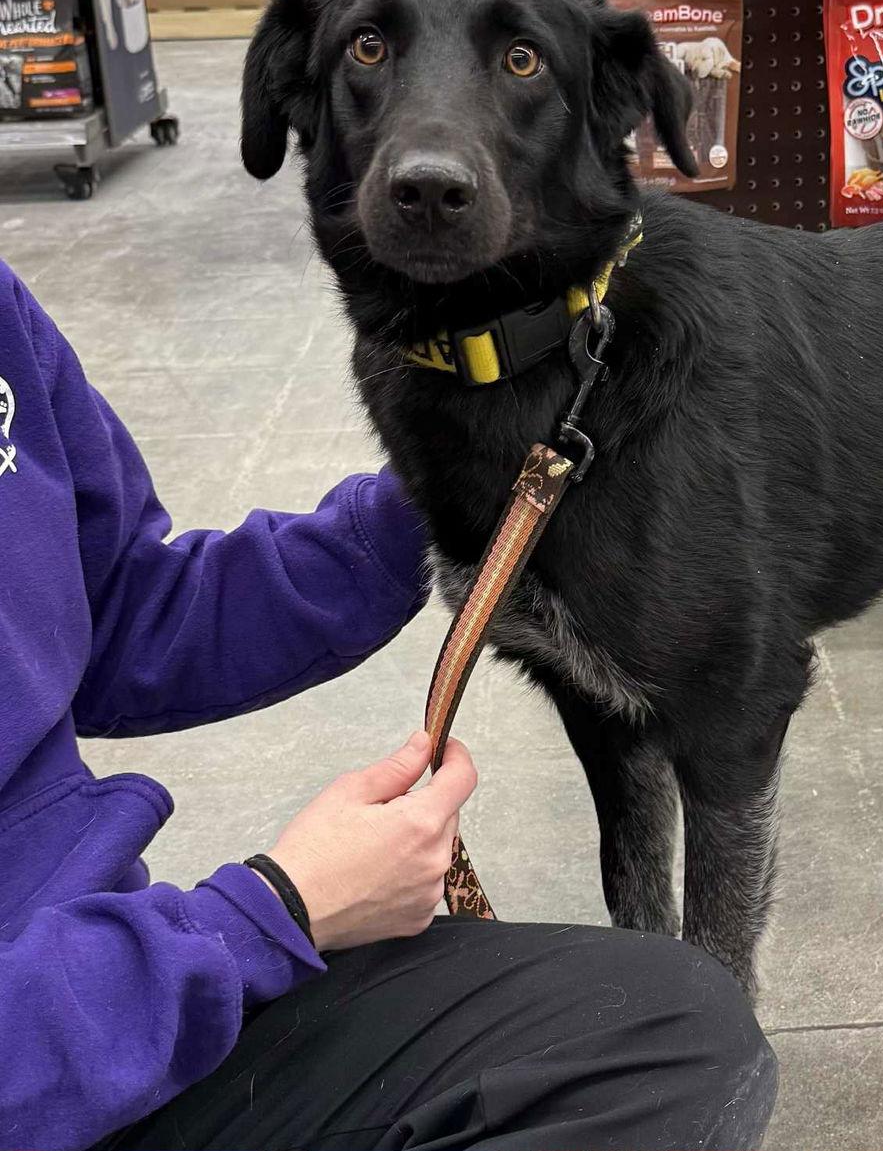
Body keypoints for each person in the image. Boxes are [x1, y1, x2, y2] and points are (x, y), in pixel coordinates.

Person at [0, 258, 777, 1151]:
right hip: (44, 1061)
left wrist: (457, 488)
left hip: (115, 1000)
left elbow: (121, 614)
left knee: (664, 1036)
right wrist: (273, 913)